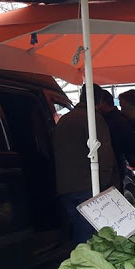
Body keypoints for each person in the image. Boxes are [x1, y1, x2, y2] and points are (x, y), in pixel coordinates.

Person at [54, 83, 117, 244]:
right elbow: (104, 153)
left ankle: (77, 262)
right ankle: (82, 265)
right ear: (100, 100)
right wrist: (105, 184)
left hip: (65, 186)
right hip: (87, 186)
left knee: (78, 229)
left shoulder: (64, 119)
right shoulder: (93, 119)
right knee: (89, 236)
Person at [98, 90, 132, 192]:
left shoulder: (112, 121)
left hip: (114, 166)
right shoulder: (119, 118)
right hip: (118, 164)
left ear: (103, 103)